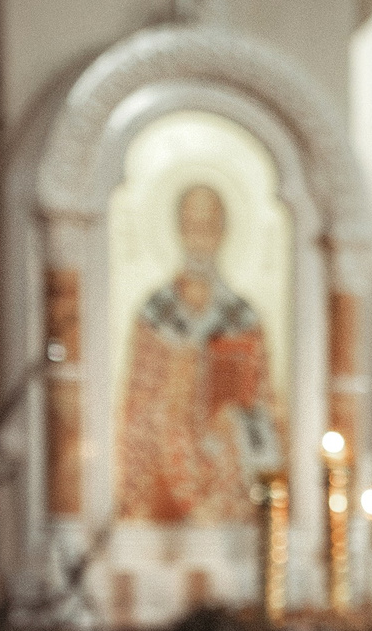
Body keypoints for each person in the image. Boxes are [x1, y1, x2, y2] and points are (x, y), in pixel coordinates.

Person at [114, 184, 281, 524]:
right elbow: (136, 407)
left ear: (224, 232)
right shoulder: (154, 315)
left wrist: (233, 417)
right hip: (163, 476)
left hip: (229, 477)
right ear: (178, 230)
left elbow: (263, 406)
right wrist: (176, 391)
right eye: (192, 225)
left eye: (209, 226)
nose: (200, 237)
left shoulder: (243, 318)